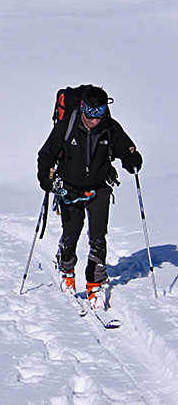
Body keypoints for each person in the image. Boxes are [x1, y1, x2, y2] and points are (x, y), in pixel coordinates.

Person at [37, 85, 143, 309]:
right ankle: (66, 269)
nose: (95, 121)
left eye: (100, 114)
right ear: (83, 109)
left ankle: (95, 282)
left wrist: (132, 160)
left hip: (99, 188)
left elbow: (127, 149)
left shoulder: (110, 127)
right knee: (71, 232)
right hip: (70, 189)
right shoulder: (67, 126)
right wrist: (45, 177)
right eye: (91, 115)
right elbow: (46, 154)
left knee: (98, 236)